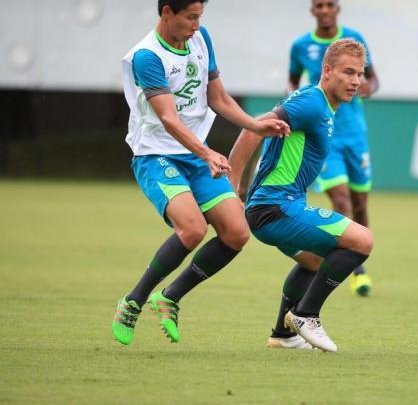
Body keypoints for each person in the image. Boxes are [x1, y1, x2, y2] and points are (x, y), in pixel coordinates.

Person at [112, 0, 289, 346]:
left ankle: (170, 298)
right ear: (166, 13)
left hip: (194, 155)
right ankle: (133, 301)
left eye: (199, 17)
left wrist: (255, 125)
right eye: (190, 17)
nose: (196, 25)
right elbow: (168, 118)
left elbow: (218, 97)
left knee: (237, 233)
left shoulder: (200, 38)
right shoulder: (147, 57)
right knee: (192, 228)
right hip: (156, 155)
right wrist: (207, 152)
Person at [228, 39, 373, 352]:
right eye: (348, 72)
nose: (355, 81)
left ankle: (283, 334)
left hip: (274, 207)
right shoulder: (312, 102)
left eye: (359, 74)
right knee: (362, 240)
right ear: (327, 70)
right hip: (275, 209)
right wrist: (232, 187)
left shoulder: (322, 107)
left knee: (315, 261)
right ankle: (306, 315)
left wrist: (243, 191)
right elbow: (255, 127)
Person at [288, 0, 380, 296]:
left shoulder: (355, 39)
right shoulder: (301, 45)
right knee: (341, 200)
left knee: (360, 204)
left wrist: (369, 86)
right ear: (312, 10)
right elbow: (292, 82)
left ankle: (359, 252)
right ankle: (357, 270)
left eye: (330, 4)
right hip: (325, 135)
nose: (325, 10)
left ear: (337, 8)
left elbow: (373, 78)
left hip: (356, 134)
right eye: (319, 5)